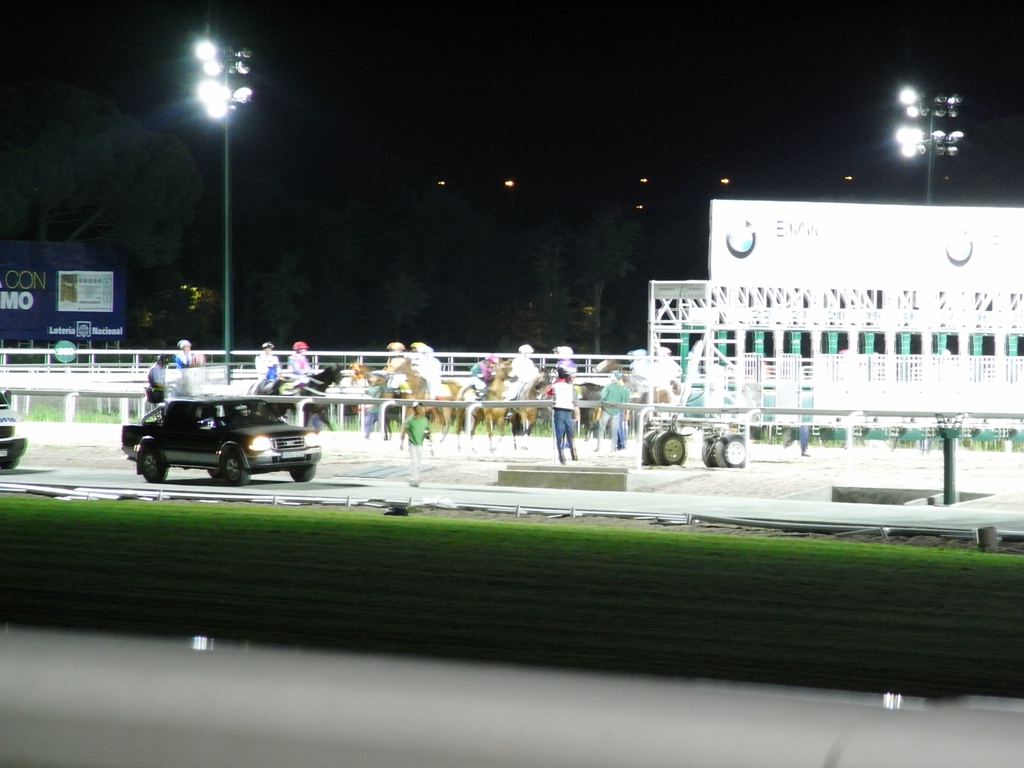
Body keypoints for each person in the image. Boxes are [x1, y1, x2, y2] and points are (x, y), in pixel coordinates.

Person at [545, 366, 577, 465]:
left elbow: (547, 392)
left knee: (559, 435)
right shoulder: (570, 385)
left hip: (559, 410)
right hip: (568, 410)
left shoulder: (555, 385)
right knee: (570, 434)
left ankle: (561, 457)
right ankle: (574, 455)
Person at [596, 370, 631, 452]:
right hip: (617, 411)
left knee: (601, 428)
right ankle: (613, 448)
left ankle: (599, 447)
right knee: (614, 430)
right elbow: (625, 401)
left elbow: (603, 397)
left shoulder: (608, 386)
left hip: (607, 410)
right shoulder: (623, 389)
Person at [399, 401, 430, 487]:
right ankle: (413, 479)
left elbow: (426, 430)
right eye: (416, 408)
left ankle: (416, 478)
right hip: (412, 443)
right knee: (414, 461)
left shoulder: (425, 420)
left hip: (420, 443)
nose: (418, 410)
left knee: (418, 462)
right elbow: (404, 431)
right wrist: (401, 442)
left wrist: (427, 435)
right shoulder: (409, 420)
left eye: (419, 408)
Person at [362, 372, 386, 439]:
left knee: (381, 424)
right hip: (370, 410)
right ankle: (366, 436)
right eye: (371, 377)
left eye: (374, 377)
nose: (372, 378)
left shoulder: (380, 387)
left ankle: (383, 436)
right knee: (367, 423)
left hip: (379, 409)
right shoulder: (367, 388)